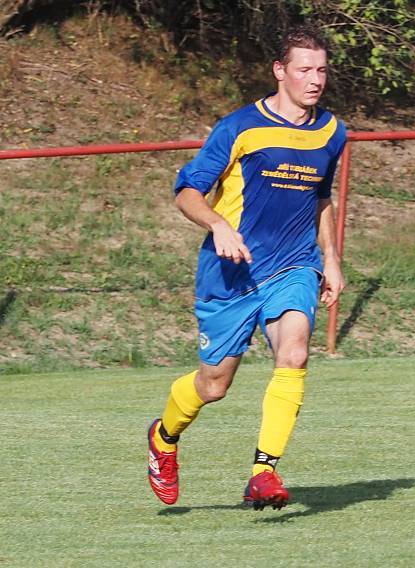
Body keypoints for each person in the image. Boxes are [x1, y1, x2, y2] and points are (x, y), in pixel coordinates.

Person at [147, 24, 347, 511]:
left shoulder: (331, 131)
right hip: (232, 272)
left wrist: (333, 259)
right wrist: (217, 224)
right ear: (280, 71)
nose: (314, 79)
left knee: (295, 352)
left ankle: (263, 471)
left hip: (293, 266)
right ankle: (163, 437)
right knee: (213, 385)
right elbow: (187, 191)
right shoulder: (239, 127)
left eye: (321, 70)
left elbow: (321, 198)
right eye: (304, 69)